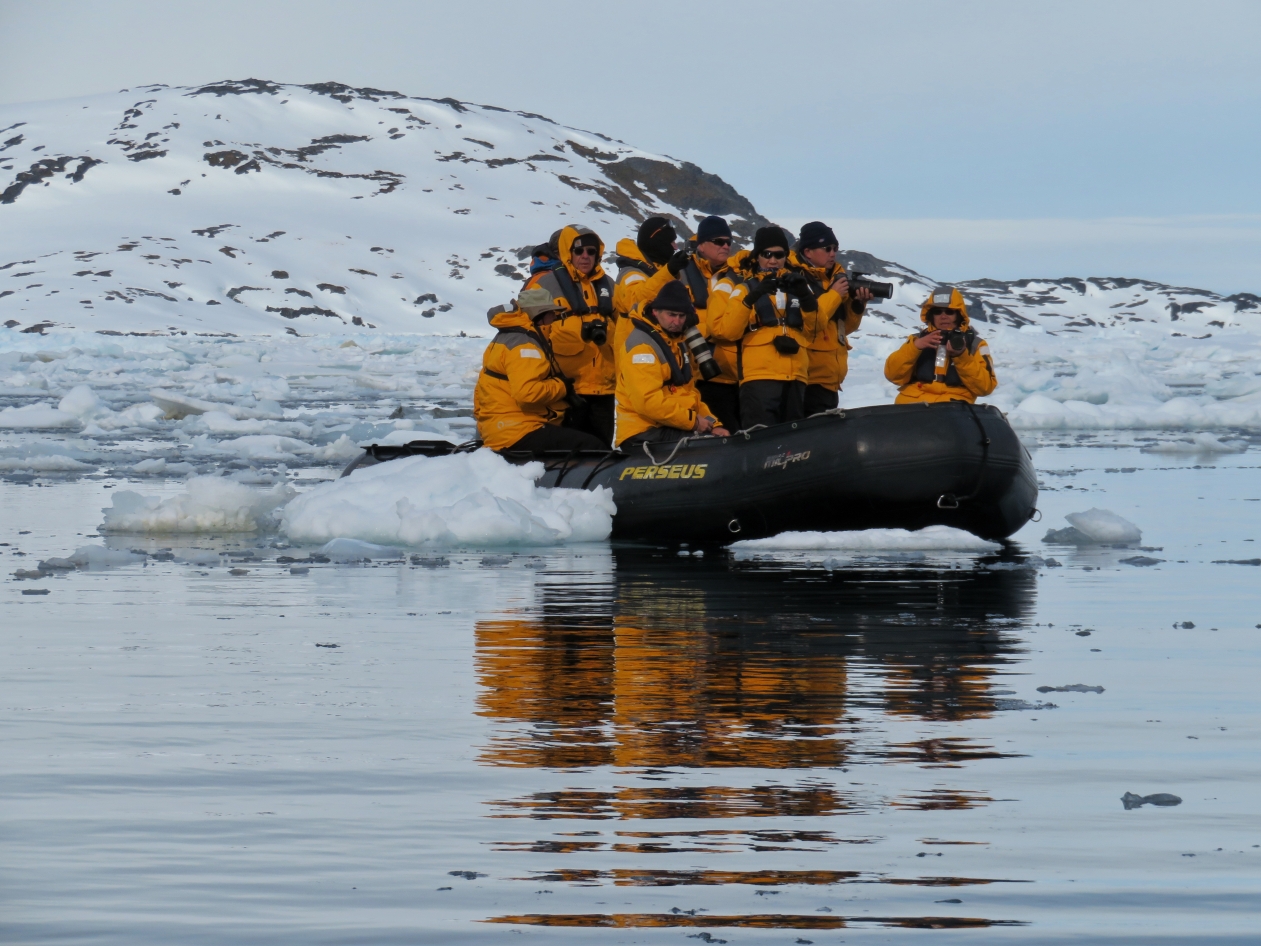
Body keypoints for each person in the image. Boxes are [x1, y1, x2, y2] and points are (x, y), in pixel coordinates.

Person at [710, 225, 820, 428]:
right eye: (766, 254)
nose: (773, 260)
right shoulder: (744, 287)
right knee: (760, 436)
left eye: (779, 255)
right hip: (759, 375)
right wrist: (753, 297)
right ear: (757, 256)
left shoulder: (798, 286)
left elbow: (814, 330)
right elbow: (726, 331)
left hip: (795, 374)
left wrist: (805, 295)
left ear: (786, 257)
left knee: (792, 440)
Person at [474, 288, 606, 452]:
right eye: (551, 314)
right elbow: (527, 393)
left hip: (500, 428)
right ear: (539, 315)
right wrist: (561, 386)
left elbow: (480, 391)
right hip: (518, 431)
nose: (554, 319)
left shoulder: (506, 338)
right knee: (593, 446)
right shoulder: (526, 347)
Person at [614, 281, 730, 448]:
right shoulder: (642, 348)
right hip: (643, 431)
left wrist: (713, 424)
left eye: (681, 316)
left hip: (671, 424)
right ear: (655, 312)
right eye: (671, 315)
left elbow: (689, 393)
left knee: (720, 439)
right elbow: (647, 402)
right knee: (710, 447)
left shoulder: (677, 342)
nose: (676, 321)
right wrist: (693, 422)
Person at [533, 225, 617, 445]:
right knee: (566, 450)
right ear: (567, 253)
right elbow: (527, 330)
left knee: (601, 448)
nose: (585, 256)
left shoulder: (609, 285)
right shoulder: (544, 285)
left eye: (591, 251)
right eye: (579, 251)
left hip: (604, 388)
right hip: (567, 388)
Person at [788, 221, 872, 415]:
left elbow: (844, 328)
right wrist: (834, 295)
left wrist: (857, 305)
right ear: (808, 252)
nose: (833, 253)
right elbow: (811, 322)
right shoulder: (796, 278)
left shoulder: (834, 279)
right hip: (806, 380)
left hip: (829, 381)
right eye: (827, 248)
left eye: (835, 248)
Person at [883, 287, 997, 404]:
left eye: (949, 312)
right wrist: (915, 347)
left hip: (953, 408)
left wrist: (962, 357)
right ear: (931, 315)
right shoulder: (916, 340)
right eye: (937, 312)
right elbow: (893, 375)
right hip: (913, 405)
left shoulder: (975, 344)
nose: (943, 316)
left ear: (959, 314)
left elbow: (985, 387)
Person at [681, 215, 741, 432]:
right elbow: (676, 320)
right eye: (719, 242)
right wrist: (714, 328)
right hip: (703, 376)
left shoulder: (738, 274)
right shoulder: (682, 275)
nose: (725, 246)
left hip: (739, 376)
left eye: (728, 242)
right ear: (702, 244)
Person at [611, 216, 693, 325]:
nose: (675, 248)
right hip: (638, 340)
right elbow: (635, 301)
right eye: (672, 242)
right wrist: (669, 271)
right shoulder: (631, 272)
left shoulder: (660, 271)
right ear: (658, 244)